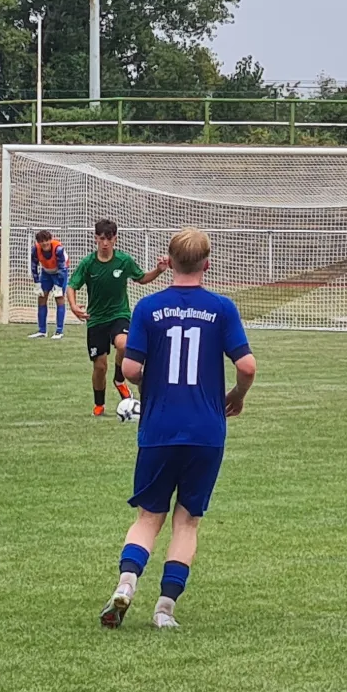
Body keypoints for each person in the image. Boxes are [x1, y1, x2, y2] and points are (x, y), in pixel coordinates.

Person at [100, 228, 256, 631]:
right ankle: (165, 608)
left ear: (168, 262)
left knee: (148, 516)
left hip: (159, 427)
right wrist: (237, 395)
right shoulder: (221, 308)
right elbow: (247, 365)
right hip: (206, 430)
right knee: (186, 521)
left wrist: (148, 382)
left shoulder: (149, 307)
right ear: (207, 264)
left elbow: (130, 368)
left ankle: (126, 583)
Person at [66, 218, 168, 416]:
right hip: (96, 319)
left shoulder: (124, 261)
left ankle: (119, 379)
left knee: (124, 344)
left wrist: (158, 270)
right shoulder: (88, 263)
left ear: (115, 239)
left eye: (109, 238)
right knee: (100, 366)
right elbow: (72, 286)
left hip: (119, 314)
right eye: (101, 238)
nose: (105, 243)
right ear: (95, 238)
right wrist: (73, 306)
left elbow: (141, 278)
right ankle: (99, 405)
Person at [28, 230, 69, 339]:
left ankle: (59, 331)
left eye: (46, 240)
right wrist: (37, 283)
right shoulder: (35, 250)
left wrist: (59, 285)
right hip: (46, 273)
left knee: (59, 298)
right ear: (38, 242)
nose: (44, 243)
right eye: (41, 241)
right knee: (42, 297)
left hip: (59, 273)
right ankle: (42, 330)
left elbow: (62, 268)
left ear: (50, 240)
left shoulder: (58, 249)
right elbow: (34, 266)